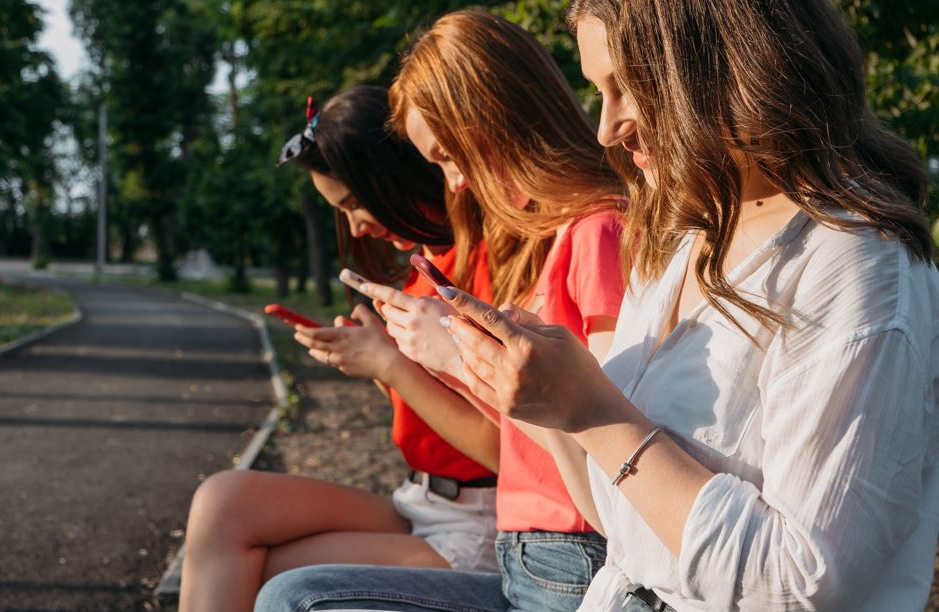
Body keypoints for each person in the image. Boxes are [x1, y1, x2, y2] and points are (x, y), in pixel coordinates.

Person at [434, 1, 939, 610]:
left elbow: (804, 581)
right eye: (600, 91)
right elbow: (626, 526)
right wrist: (546, 402)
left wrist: (593, 408)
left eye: (630, 87)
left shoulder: (855, 263)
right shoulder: (692, 235)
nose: (606, 127)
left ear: (729, 67)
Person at [255, 10, 627, 611]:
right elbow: (535, 429)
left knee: (294, 598)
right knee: (291, 592)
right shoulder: (560, 236)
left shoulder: (598, 230)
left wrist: (446, 360)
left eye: (449, 157)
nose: (453, 184)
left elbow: (610, 449)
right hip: (529, 547)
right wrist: (432, 358)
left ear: (496, 122)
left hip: (569, 554)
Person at [178, 86, 504, 612]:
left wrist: (391, 364)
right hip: (420, 501)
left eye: (354, 203)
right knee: (222, 501)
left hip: (483, 524)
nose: (357, 226)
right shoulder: (424, 272)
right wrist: (371, 359)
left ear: (393, 173)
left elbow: (509, 449)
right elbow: (435, 406)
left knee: (258, 576)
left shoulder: (490, 265)